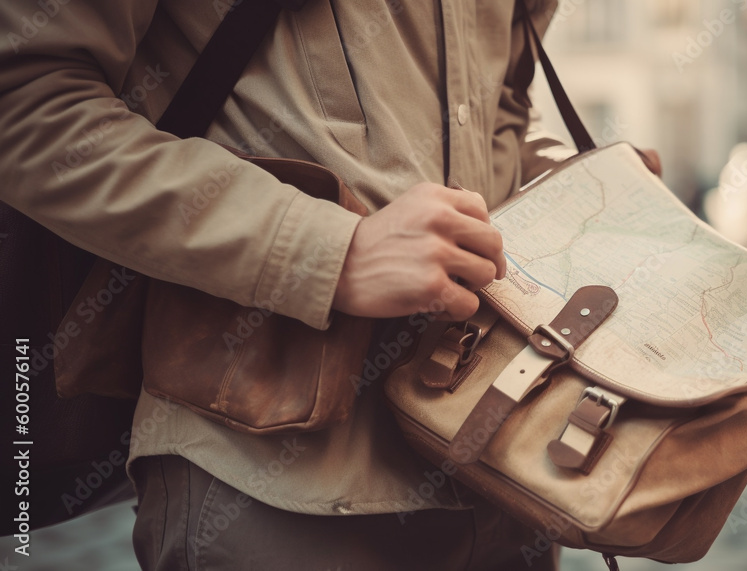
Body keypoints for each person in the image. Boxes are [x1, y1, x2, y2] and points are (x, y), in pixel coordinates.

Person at [0, 0, 660, 568]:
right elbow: (27, 98)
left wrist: (592, 196)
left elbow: (498, 110)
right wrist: (329, 253)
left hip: (504, 472)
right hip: (269, 479)